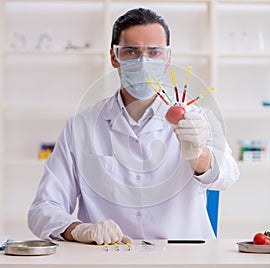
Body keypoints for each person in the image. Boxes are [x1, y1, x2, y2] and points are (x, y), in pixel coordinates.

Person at [28, 8, 239, 245]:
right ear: (113, 57)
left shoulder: (198, 119)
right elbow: (43, 209)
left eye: (154, 52)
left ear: (167, 58)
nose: (143, 62)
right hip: (107, 255)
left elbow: (228, 176)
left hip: (184, 255)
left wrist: (198, 155)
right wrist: (78, 230)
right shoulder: (82, 126)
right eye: (131, 52)